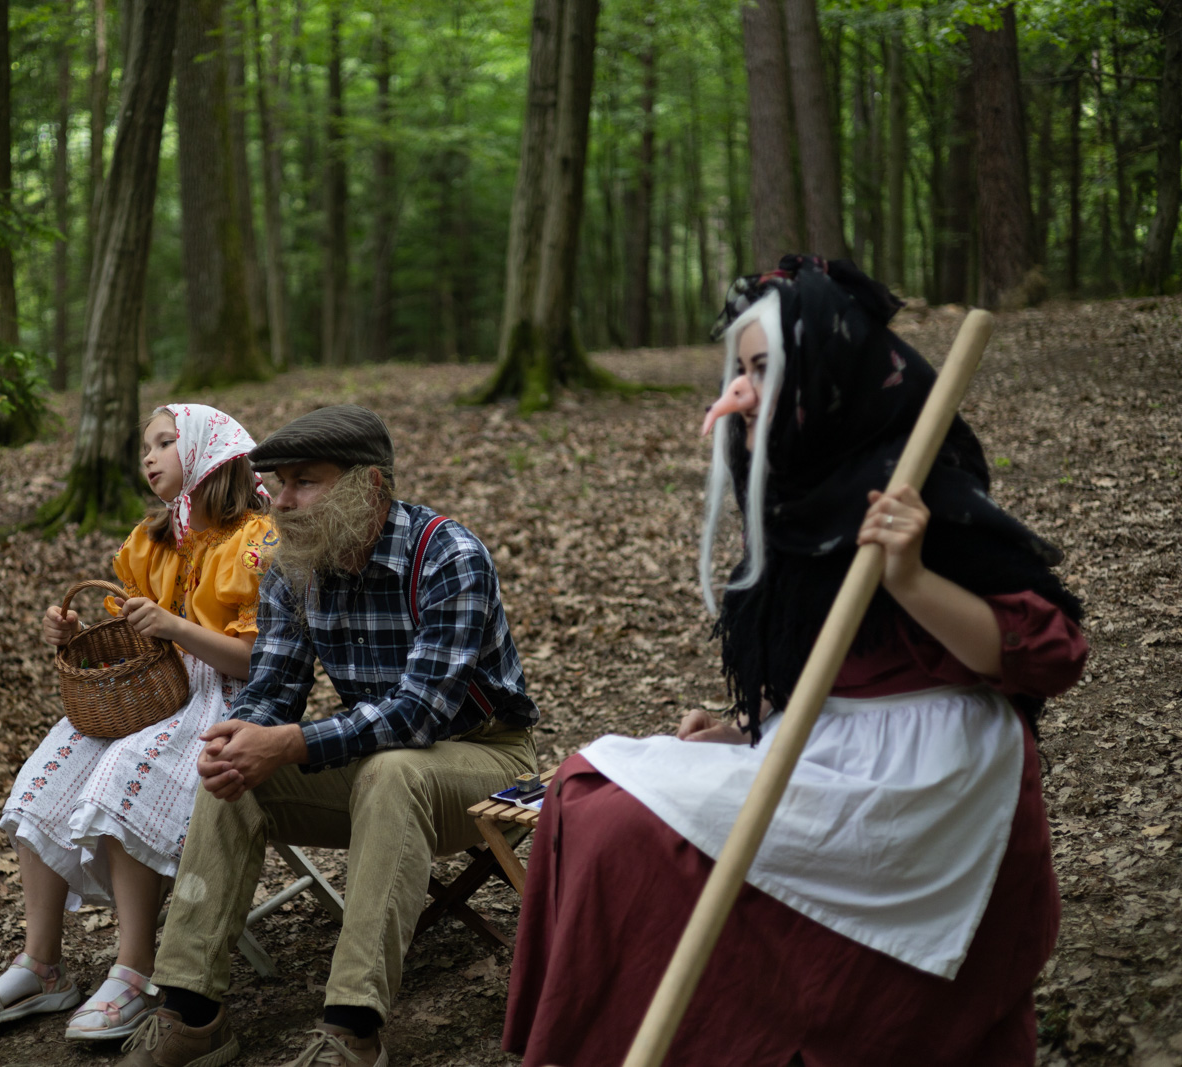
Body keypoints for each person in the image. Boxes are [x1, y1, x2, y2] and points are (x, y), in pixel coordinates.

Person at [503, 256, 1088, 1067]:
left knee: (621, 829)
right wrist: (749, 730)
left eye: (763, 369)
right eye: (738, 370)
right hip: (823, 749)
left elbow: (1052, 654)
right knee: (585, 791)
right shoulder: (798, 496)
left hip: (927, 779)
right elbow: (831, 673)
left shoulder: (916, 489)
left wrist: (911, 578)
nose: (740, 392)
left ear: (825, 374)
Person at [112, 404, 540, 1067]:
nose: (281, 501)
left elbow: (418, 715)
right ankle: (191, 1013)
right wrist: (242, 737)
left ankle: (352, 1030)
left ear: (369, 486)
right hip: (376, 764)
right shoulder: (294, 567)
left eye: (304, 482)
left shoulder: (448, 556)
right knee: (239, 773)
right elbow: (272, 689)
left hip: (488, 760)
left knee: (394, 770)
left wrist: (291, 743)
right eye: (278, 483)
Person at [0, 404, 276, 1042]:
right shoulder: (152, 539)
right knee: (44, 777)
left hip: (224, 699)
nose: (148, 457)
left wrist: (177, 627)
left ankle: (136, 967)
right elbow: (131, 630)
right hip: (145, 687)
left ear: (209, 452)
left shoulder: (256, 540)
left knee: (126, 773)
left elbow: (257, 659)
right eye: (144, 447)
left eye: (164, 443)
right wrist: (75, 632)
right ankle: (43, 965)